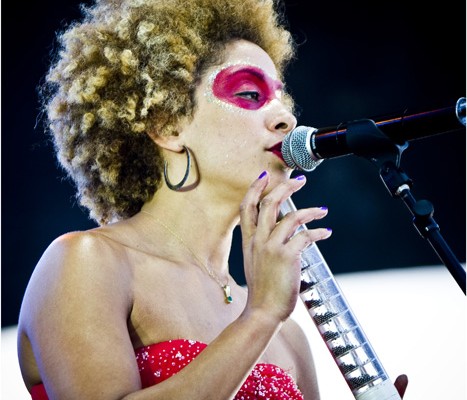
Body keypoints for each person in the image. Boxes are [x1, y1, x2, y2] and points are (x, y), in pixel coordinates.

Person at [17, 0, 408, 398]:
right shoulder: (86, 262)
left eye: (281, 100)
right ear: (167, 125)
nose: (287, 120)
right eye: (250, 93)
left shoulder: (288, 334)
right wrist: (258, 317)